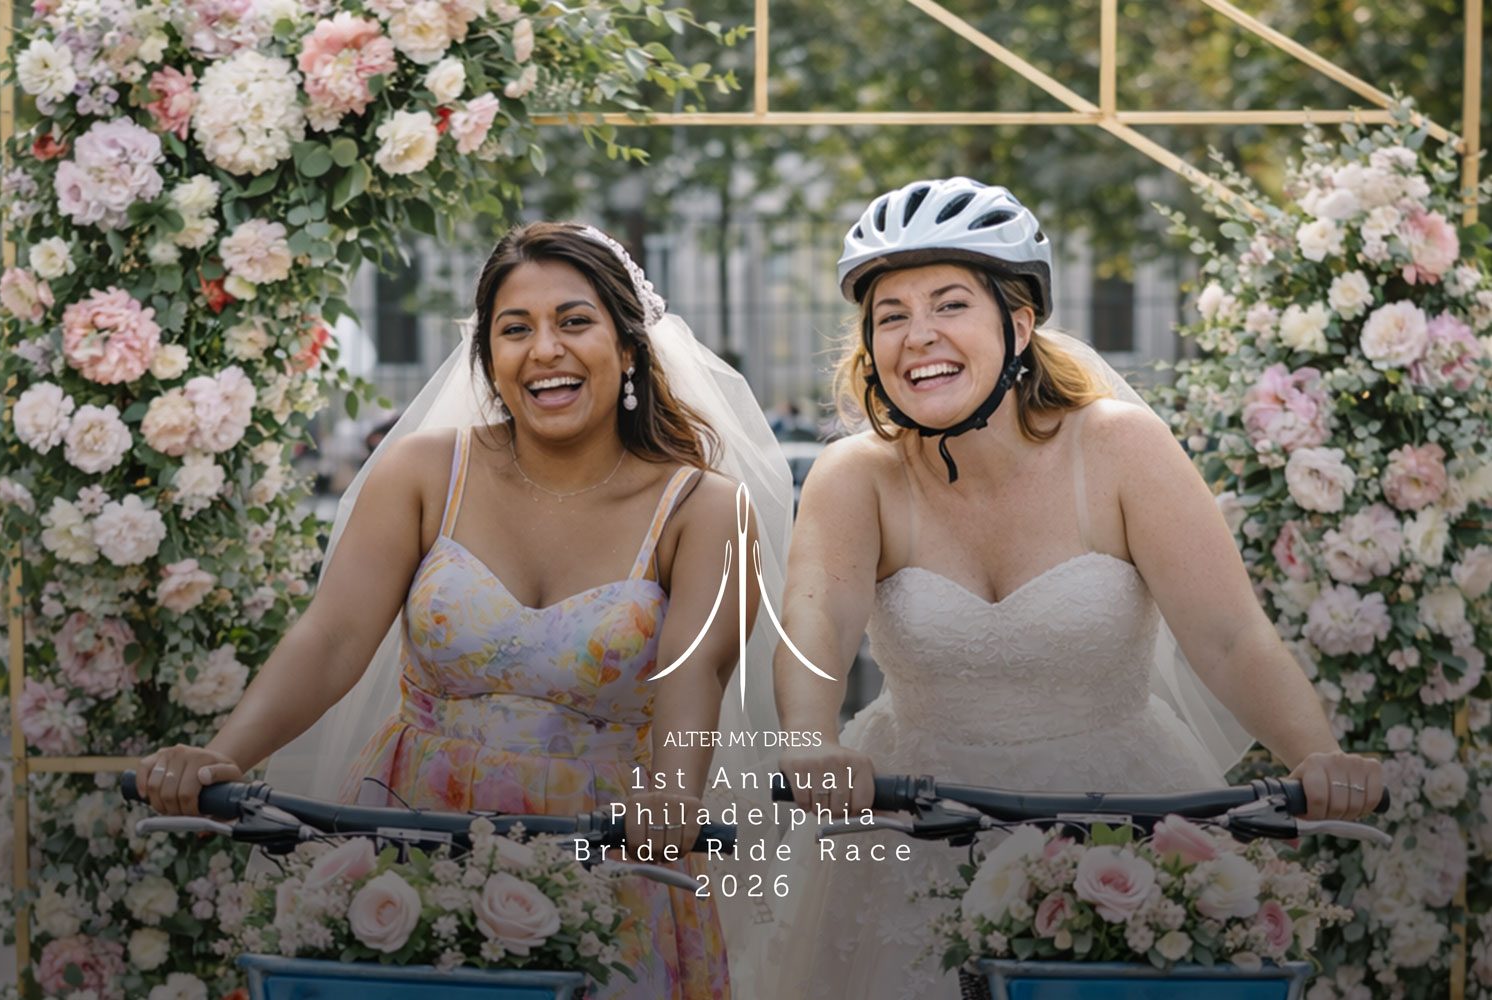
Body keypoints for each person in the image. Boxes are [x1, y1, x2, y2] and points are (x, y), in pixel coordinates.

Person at [136, 221, 793, 1000]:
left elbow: (696, 678)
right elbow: (334, 635)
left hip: (607, 851)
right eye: (515, 330)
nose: (544, 348)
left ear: (628, 350)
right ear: (489, 358)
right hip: (408, 840)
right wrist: (226, 753)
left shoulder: (705, 508)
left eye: (574, 322)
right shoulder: (422, 471)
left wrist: (675, 800)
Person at [767, 178, 1384, 999]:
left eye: (951, 305)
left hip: (1121, 817)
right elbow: (817, 617)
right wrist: (812, 743)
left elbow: (1231, 636)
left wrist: (1321, 758)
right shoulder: (859, 476)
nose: (919, 337)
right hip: (911, 821)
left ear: (1018, 323)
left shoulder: (1120, 447)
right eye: (891, 316)